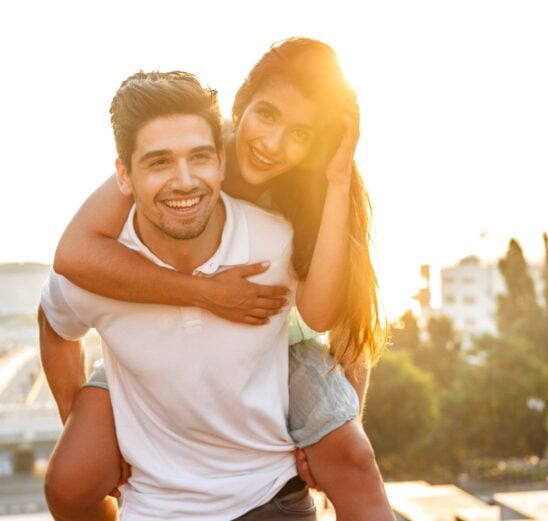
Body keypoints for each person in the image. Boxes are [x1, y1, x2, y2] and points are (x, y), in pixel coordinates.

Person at [49, 38, 393, 520]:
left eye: (300, 134)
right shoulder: (186, 155)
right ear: (241, 105)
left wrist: (337, 426)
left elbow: (346, 325)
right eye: (267, 116)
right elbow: (73, 253)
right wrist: (206, 294)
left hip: (274, 341)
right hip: (160, 333)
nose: (272, 145)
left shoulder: (316, 197)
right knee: (69, 482)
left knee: (353, 461)